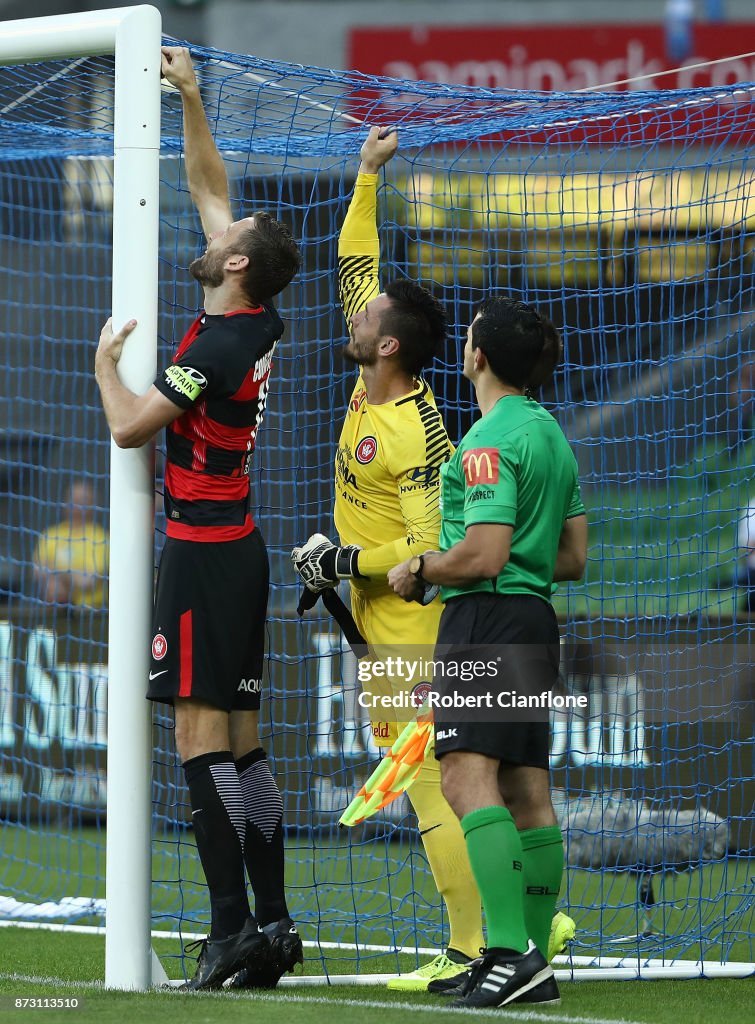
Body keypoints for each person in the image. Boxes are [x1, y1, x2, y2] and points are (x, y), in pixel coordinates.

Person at [292, 129, 574, 991]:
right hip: (423, 615)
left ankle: (475, 947)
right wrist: (368, 178)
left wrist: (343, 558)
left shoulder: (423, 433)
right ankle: (524, 930)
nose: (355, 311)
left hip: (425, 621)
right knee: (485, 782)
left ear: (389, 346)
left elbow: (429, 547)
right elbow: (354, 261)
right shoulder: (370, 376)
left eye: (367, 316)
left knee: (435, 782)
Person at [94, 46, 302, 992]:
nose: (213, 224)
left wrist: (104, 361)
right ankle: (276, 925)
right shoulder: (255, 318)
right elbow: (211, 185)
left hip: (203, 554)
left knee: (198, 741)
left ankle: (228, 935)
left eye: (229, 231)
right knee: (245, 742)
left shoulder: (218, 345)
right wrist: (190, 95)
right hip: (240, 548)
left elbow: (134, 430)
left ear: (237, 265)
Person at [388, 297, 588, 1008]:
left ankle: (505, 951)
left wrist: (420, 568)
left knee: (464, 781)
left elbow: (481, 553)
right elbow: (572, 557)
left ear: (477, 357)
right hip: (533, 615)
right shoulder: (551, 436)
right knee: (527, 792)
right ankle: (528, 961)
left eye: (469, 338)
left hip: (486, 617)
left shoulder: (485, 439)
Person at [33, 480, 108, 609]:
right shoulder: (51, 534)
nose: (76, 505)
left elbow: (88, 581)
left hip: (91, 613)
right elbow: (38, 571)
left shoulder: (102, 538)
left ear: (93, 504)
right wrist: (71, 575)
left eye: (82, 500)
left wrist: (57, 573)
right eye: (73, 499)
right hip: (53, 611)